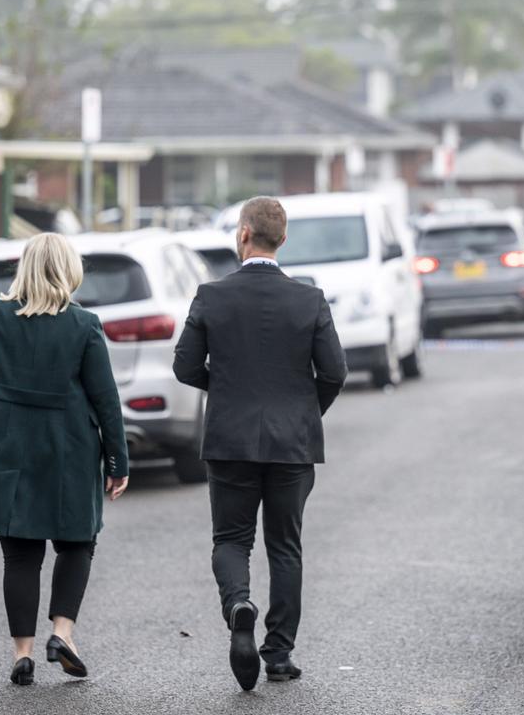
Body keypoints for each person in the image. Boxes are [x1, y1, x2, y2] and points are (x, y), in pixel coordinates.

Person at [174, 196, 347, 690]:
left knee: (231, 540)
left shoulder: (211, 295)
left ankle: (238, 605)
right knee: (285, 546)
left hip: (229, 439)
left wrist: (230, 389)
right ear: (283, 239)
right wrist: (302, 409)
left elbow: (185, 366)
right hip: (292, 443)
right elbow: (335, 371)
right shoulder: (309, 299)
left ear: (244, 234)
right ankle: (278, 652)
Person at [0, 232, 129, 686]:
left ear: (24, 269)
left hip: (8, 447)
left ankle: (21, 655)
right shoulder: (84, 325)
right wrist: (118, 461)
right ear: (69, 271)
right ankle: (61, 634)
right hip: (70, 449)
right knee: (77, 542)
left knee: (21, 555)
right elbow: (106, 401)